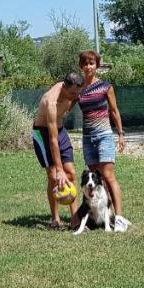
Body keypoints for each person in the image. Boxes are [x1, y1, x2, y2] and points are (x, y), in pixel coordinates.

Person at [76, 50, 130, 232]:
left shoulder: (106, 86)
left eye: (91, 63)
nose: (88, 67)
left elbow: (114, 111)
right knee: (95, 179)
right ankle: (100, 216)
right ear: (81, 67)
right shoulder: (79, 89)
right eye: (85, 63)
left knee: (108, 176)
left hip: (104, 136)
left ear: (97, 65)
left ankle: (119, 218)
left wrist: (120, 134)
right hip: (87, 139)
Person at [32, 73, 85, 230]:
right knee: (55, 176)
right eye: (72, 94)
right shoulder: (51, 103)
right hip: (43, 133)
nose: (75, 96)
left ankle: (75, 220)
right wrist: (59, 169)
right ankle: (55, 219)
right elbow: (52, 139)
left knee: (72, 174)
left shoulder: (73, 90)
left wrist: (70, 105)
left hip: (60, 130)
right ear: (64, 87)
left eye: (77, 93)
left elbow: (76, 97)